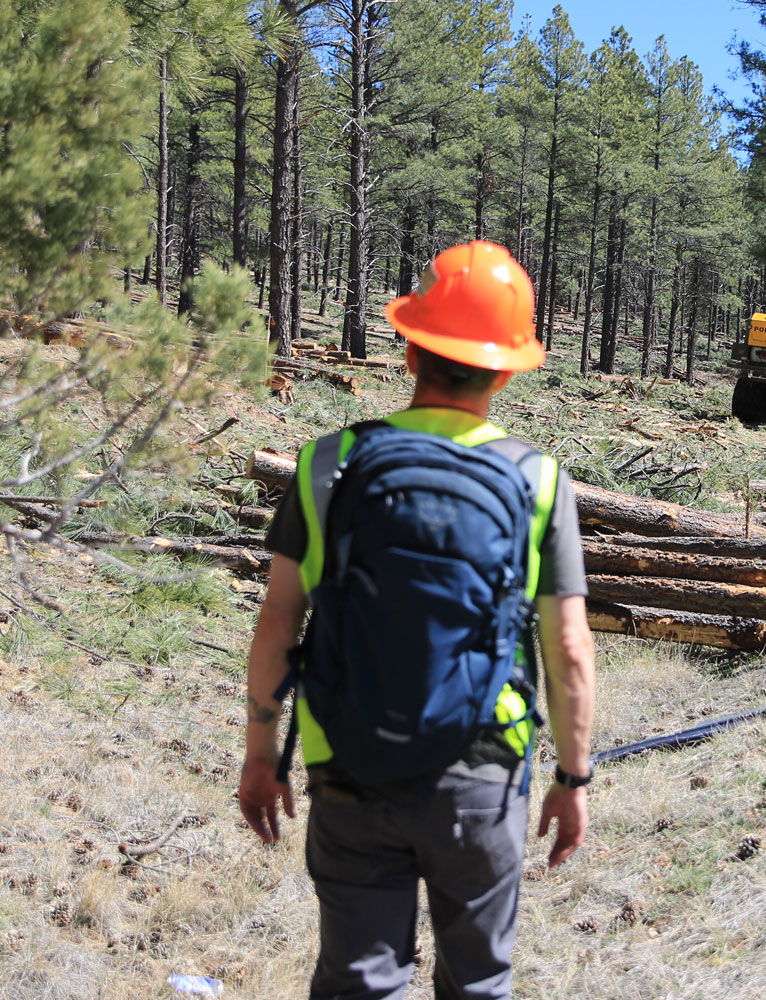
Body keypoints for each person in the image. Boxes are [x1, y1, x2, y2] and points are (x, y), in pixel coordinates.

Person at [238, 240, 596, 1000]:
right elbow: (567, 649)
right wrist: (572, 775)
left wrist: (260, 753)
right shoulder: (539, 481)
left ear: (409, 352)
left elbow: (276, 625)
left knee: (359, 982)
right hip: (482, 770)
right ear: (507, 368)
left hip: (348, 760)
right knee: (477, 983)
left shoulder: (326, 465)